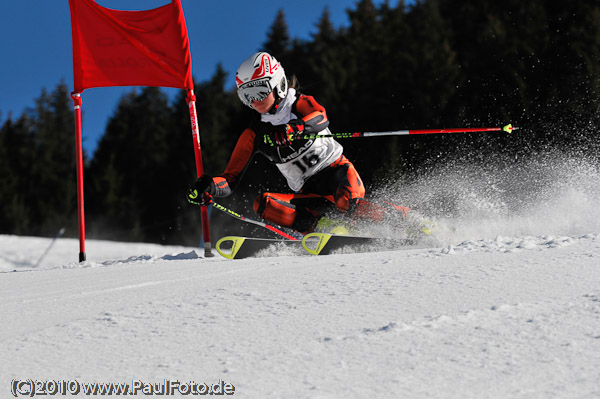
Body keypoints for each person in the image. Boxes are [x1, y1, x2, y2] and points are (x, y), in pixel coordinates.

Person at [187, 52, 384, 234]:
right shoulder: (254, 133)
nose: (254, 101)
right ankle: (327, 229)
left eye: (260, 91)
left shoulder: (297, 103)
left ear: (277, 83)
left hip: (338, 173)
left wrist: (294, 128)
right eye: (246, 95)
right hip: (308, 194)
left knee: (346, 201)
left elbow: (321, 117)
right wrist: (209, 186)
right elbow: (230, 180)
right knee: (263, 204)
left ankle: (402, 219)